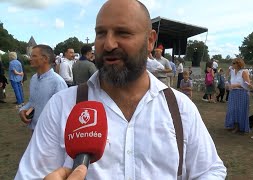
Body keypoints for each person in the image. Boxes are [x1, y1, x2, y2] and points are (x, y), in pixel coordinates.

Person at [15, 0, 227, 179]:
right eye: (101, 33)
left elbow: (210, 170)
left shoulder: (180, 108)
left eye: (123, 33)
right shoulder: (62, 106)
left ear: (150, 40)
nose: (108, 44)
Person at [18, 45, 68, 132]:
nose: (30, 59)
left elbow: (63, 111)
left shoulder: (57, 82)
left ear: (45, 58)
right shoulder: (34, 79)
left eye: (34, 56)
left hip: (49, 132)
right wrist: (22, 110)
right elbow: (32, 102)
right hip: (34, 128)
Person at [224, 58, 251, 133]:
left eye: (234, 63)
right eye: (232, 63)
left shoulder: (244, 72)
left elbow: (248, 84)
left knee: (239, 110)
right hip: (233, 93)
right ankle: (232, 124)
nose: (232, 65)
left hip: (241, 93)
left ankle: (238, 126)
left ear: (239, 64)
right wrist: (228, 70)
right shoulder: (232, 71)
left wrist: (237, 85)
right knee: (232, 109)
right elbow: (225, 76)